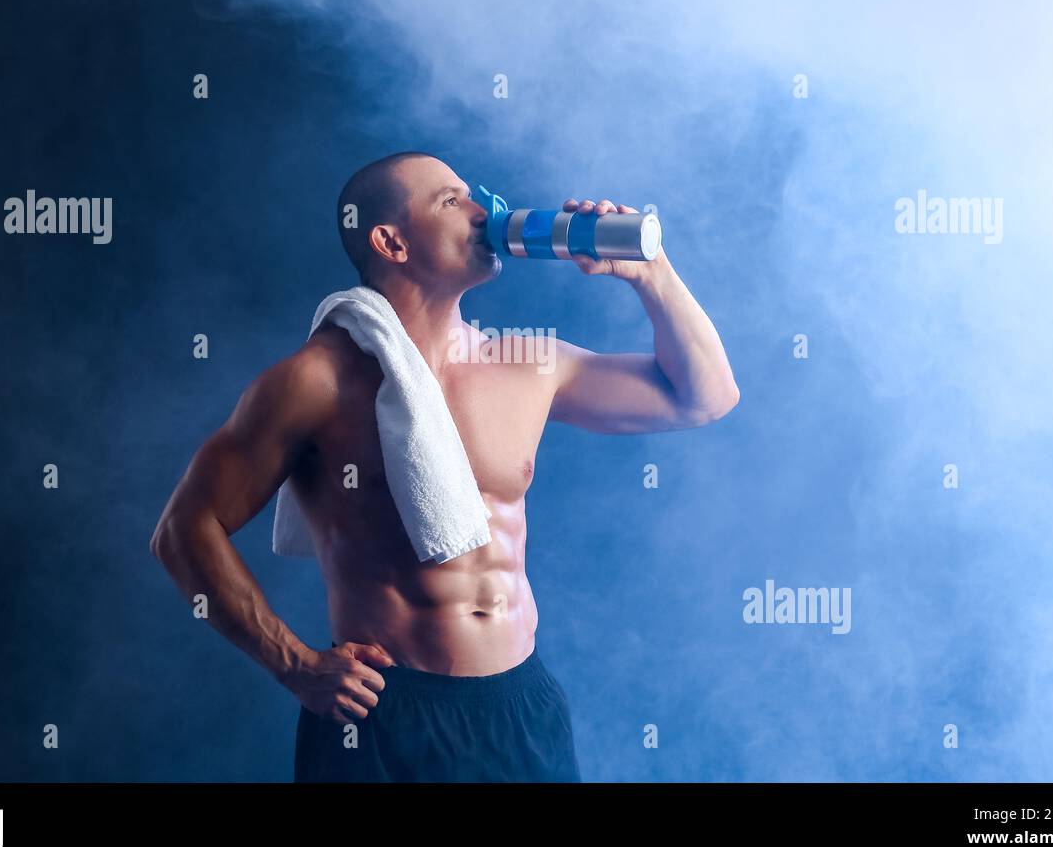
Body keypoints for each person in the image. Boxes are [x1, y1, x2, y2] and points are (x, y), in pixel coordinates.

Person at [150, 151, 740, 781]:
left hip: (519, 705)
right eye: (452, 200)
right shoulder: (316, 381)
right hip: (386, 716)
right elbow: (184, 530)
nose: (484, 210)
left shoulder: (527, 364)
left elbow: (703, 397)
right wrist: (294, 665)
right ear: (390, 241)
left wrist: (652, 275)